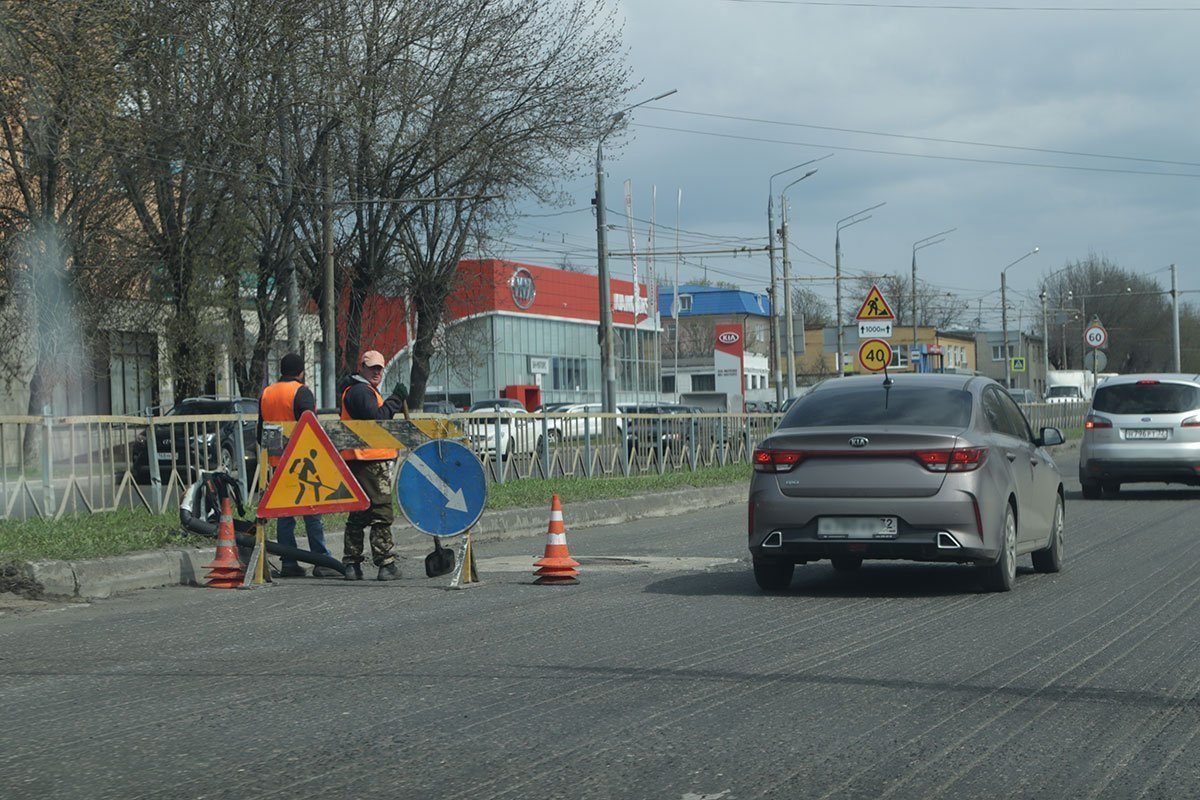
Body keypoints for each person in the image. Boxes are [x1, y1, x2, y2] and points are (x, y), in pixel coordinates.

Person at [257, 353, 341, 578]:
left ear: (281, 371)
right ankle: (321, 561)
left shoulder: (266, 394)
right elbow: (311, 428)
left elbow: (260, 434)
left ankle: (289, 563)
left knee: (285, 514)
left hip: (277, 464)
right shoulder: (301, 392)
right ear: (301, 372)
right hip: (302, 462)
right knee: (312, 512)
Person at [336, 349, 409, 581]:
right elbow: (376, 420)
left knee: (359, 512)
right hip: (368, 460)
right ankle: (385, 563)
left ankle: (352, 565)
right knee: (380, 512)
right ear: (362, 368)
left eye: (380, 368)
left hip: (360, 459)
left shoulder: (360, 390)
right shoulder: (360, 391)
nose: (377, 372)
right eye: (373, 368)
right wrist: (396, 400)